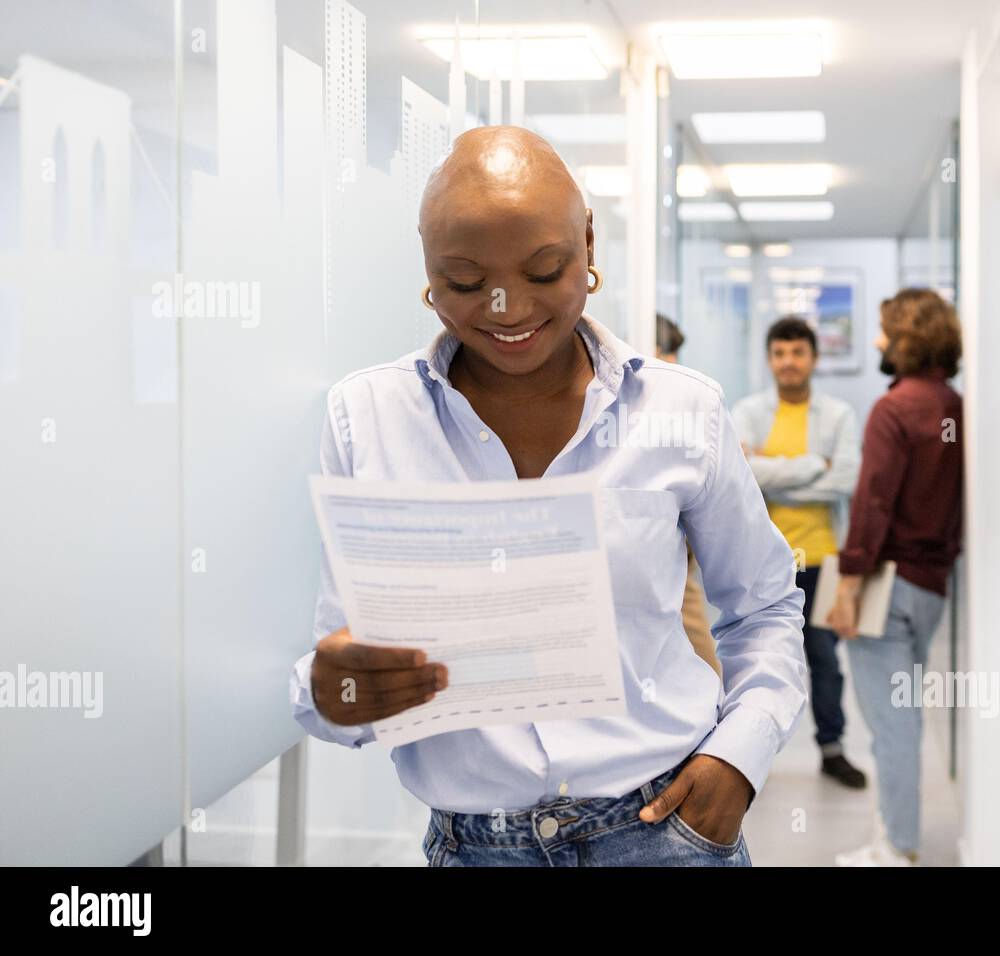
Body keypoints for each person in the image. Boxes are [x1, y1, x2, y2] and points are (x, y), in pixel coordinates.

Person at [289, 126, 807, 867]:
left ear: (588, 243)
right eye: (465, 282)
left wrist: (738, 760)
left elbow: (763, 605)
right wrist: (331, 693)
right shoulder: (366, 418)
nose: (507, 307)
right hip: (476, 847)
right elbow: (342, 672)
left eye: (544, 270)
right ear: (428, 270)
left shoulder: (681, 411)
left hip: (665, 829)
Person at [829, 288, 963, 867]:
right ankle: (896, 837)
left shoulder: (895, 408)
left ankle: (897, 848)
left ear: (907, 336)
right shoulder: (954, 405)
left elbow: (873, 503)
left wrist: (848, 585)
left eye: (885, 329)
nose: (877, 340)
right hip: (932, 584)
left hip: (888, 585)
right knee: (903, 717)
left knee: (891, 725)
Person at [733, 316, 867, 790]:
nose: (788, 362)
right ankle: (747, 755)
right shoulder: (748, 411)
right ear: (769, 359)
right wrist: (813, 466)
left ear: (813, 358)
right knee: (759, 661)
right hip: (767, 562)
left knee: (825, 662)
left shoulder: (838, 415)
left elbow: (844, 481)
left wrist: (773, 475)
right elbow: (743, 475)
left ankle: (832, 750)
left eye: (797, 353)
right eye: (779, 353)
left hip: (823, 559)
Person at [655, 313, 722, 678]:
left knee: (708, 676)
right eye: (665, 351)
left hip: (680, 573)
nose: (671, 362)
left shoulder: (682, 412)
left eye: (673, 353)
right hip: (658, 579)